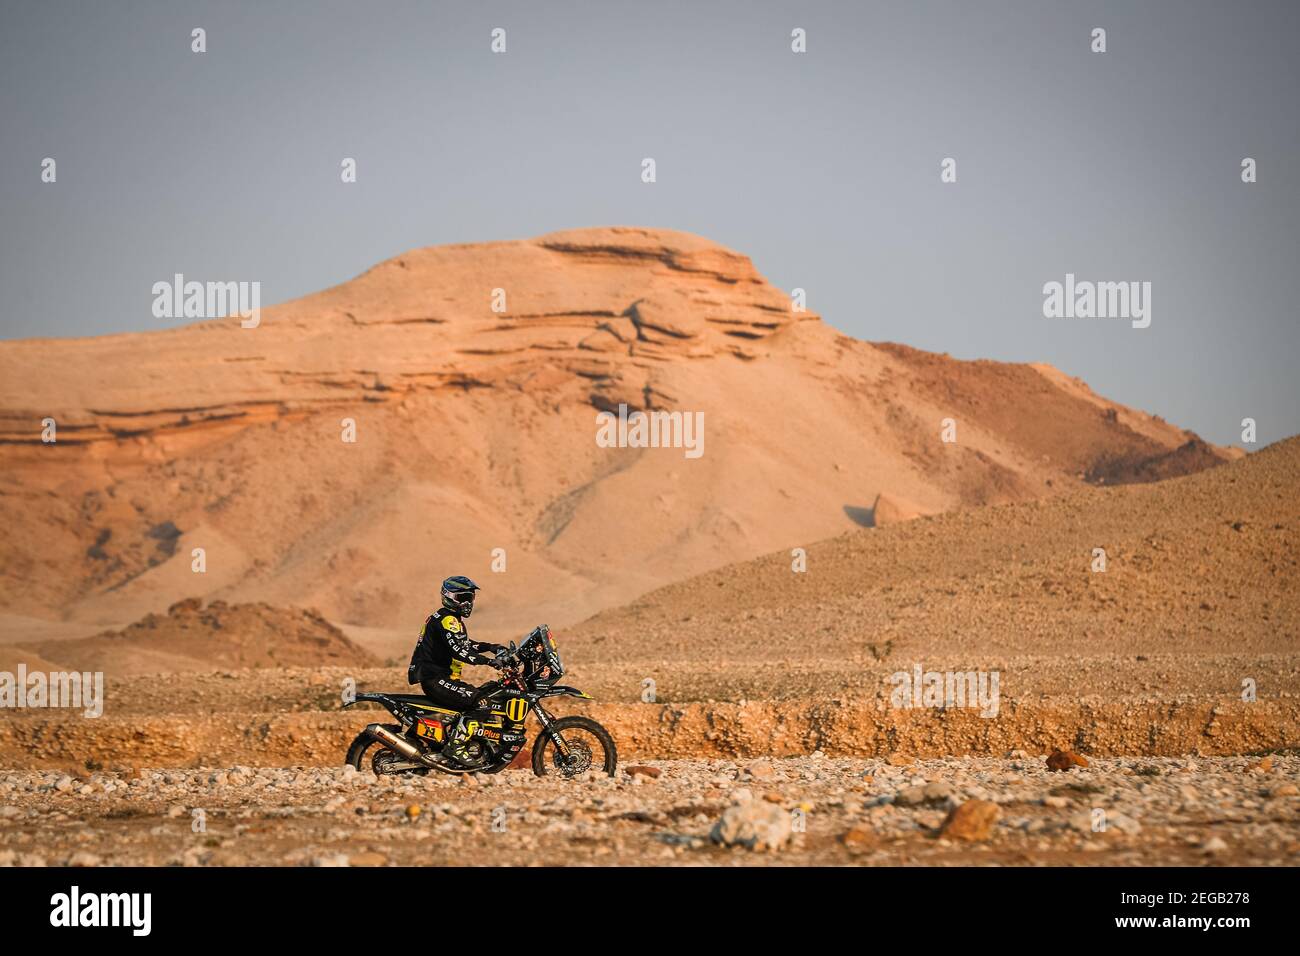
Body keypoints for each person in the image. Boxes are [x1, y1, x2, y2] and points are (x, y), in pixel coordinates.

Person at [407, 575, 508, 764]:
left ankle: (455, 740)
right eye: (463, 598)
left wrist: (491, 647)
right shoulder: (448, 620)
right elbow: (460, 651)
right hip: (435, 678)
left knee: (478, 697)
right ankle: (456, 747)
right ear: (449, 597)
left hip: (438, 677)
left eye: (470, 598)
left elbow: (464, 643)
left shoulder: (448, 618)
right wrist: (488, 662)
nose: (468, 603)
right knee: (483, 703)